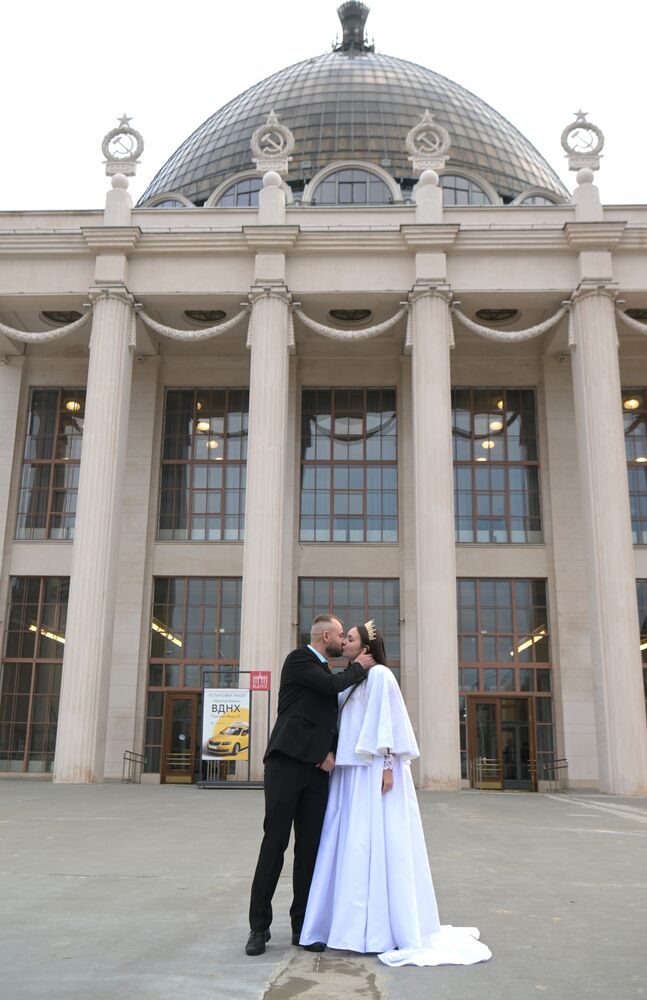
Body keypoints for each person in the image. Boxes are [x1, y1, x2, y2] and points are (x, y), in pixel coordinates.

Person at [300, 620, 492, 968]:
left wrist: (388, 764)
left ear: (366, 648)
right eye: (344, 637)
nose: (344, 642)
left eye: (351, 638)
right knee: (349, 843)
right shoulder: (354, 678)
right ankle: (346, 927)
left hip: (372, 771)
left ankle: (377, 929)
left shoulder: (381, 677)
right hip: (348, 774)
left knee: (373, 842)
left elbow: (389, 720)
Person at [245, 614, 375, 957]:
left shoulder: (327, 672)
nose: (343, 642)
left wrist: (331, 750)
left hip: (317, 773)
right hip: (285, 765)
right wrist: (360, 667)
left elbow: (330, 720)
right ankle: (258, 928)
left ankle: (302, 927)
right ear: (327, 636)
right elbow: (332, 688)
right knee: (274, 845)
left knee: (309, 852)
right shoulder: (300, 660)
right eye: (340, 635)